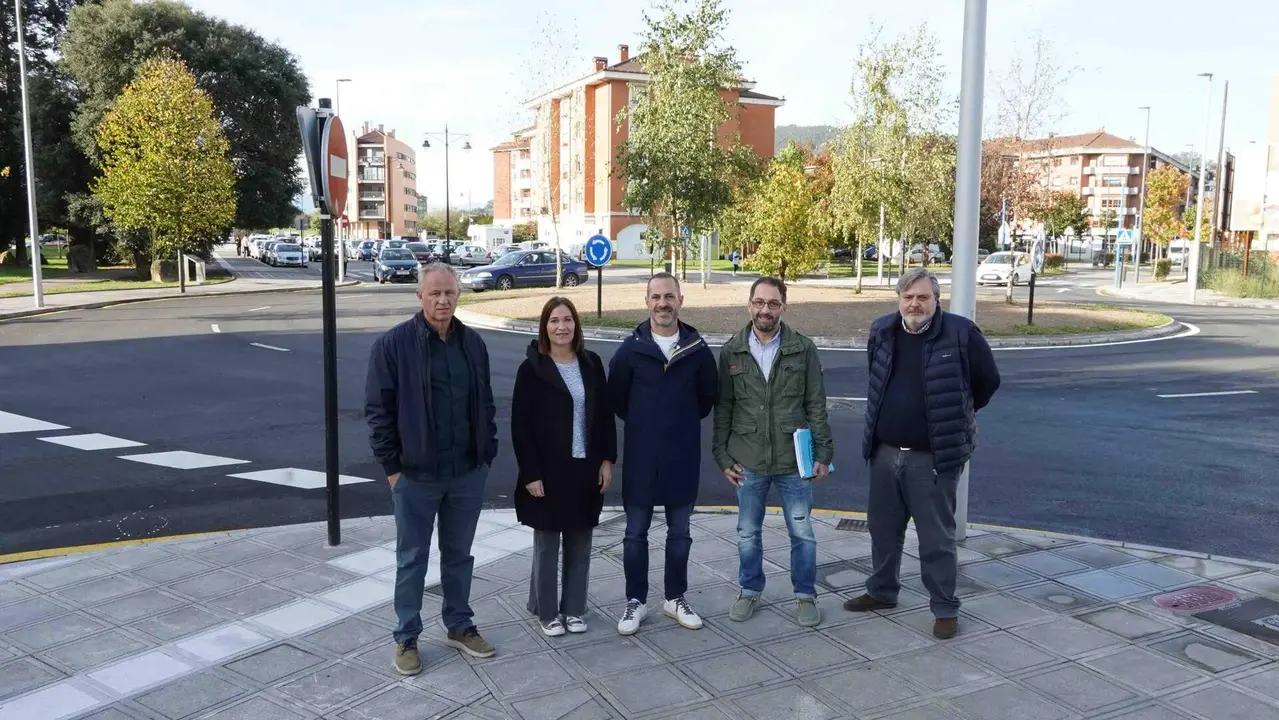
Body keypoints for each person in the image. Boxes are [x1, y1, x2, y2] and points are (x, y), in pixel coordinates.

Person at [844, 268, 1001, 639]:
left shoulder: (961, 334)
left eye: (923, 297)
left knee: (936, 539)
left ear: (936, 300)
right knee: (883, 530)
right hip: (883, 454)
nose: (914, 303)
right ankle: (882, 591)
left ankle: (945, 607)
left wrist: (956, 413)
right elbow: (877, 376)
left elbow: (987, 382)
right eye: (907, 297)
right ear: (898, 299)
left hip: (933, 458)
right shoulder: (882, 330)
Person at [365, 263, 500, 674]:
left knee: (459, 555)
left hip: (466, 473)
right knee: (413, 559)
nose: (443, 300)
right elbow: (378, 412)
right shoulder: (393, 345)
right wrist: (393, 469)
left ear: (459, 295)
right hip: (416, 476)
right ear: (420, 296)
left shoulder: (473, 344)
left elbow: (487, 403)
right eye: (435, 293)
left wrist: (486, 452)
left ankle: (459, 625)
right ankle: (407, 636)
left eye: (450, 293)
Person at [712, 277, 833, 628]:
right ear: (749, 305)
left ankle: (805, 594)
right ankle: (749, 589)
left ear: (783, 307)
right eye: (759, 302)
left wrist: (823, 453)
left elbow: (816, 404)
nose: (766, 309)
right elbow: (724, 409)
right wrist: (721, 457)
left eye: (773, 303)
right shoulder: (731, 351)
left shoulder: (803, 348)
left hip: (792, 461)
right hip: (747, 459)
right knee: (747, 531)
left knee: (802, 531)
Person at [608, 272, 718, 635]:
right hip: (640, 459)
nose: (662, 304)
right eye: (655, 297)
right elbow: (618, 401)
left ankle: (675, 597)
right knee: (634, 534)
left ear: (680, 300)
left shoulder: (698, 352)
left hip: (682, 458)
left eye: (669, 296)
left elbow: (706, 401)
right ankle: (635, 601)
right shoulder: (629, 351)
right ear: (646, 302)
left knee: (680, 533)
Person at [512, 297, 617, 637]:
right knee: (547, 542)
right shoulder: (531, 369)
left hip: (584, 467)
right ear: (544, 326)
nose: (561, 327)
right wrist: (530, 474)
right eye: (554, 320)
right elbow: (520, 426)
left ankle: (573, 608)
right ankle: (546, 611)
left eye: (568, 320)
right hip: (547, 469)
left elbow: (604, 417)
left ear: (576, 324)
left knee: (580, 539)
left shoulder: (591, 363)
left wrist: (606, 460)